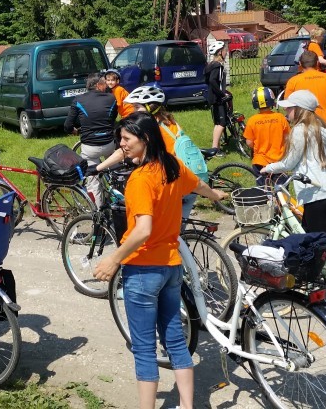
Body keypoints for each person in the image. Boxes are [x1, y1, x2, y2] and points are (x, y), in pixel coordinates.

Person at [92, 113, 227, 409]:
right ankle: (187, 406)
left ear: (145, 139)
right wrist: (215, 195)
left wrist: (114, 259)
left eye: (126, 139)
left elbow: (143, 229)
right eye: (120, 139)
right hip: (171, 267)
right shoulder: (172, 166)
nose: (121, 144)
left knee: (143, 348)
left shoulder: (140, 179)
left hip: (143, 270)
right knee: (175, 340)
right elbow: (198, 185)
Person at [261, 89, 326, 310]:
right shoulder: (318, 127)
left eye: (289, 108)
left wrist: (268, 168)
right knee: (311, 232)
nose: (286, 112)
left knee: (320, 241)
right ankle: (318, 279)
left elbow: (289, 162)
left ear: (299, 110)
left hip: (316, 192)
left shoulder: (300, 130)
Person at [96, 86, 215, 219]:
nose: (133, 111)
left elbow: (122, 152)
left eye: (137, 107)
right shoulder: (169, 121)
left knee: (157, 223)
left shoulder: (151, 129)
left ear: (149, 108)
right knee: (175, 226)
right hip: (185, 175)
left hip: (173, 180)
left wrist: (98, 168)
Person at [63, 73, 118, 205]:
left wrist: (74, 131)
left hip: (90, 147)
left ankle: (98, 211)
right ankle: (118, 198)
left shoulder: (78, 100)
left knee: (93, 182)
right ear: (98, 85)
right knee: (115, 173)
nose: (107, 86)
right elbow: (112, 119)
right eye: (104, 83)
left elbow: (67, 126)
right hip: (109, 144)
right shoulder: (111, 98)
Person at [284, 50, 326, 129]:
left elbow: (287, 106)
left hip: (304, 125)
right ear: (317, 63)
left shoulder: (293, 81)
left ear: (300, 64)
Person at [243, 87, 289, 183]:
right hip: (279, 160)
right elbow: (287, 138)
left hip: (260, 161)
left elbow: (249, 142)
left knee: (263, 188)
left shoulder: (252, 120)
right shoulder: (280, 118)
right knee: (281, 188)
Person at [205, 40, 232, 154]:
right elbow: (212, 81)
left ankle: (216, 148)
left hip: (212, 97)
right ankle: (215, 149)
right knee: (221, 123)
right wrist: (222, 93)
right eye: (225, 50)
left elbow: (207, 80)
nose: (226, 52)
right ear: (220, 52)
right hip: (218, 98)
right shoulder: (218, 66)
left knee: (217, 123)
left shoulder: (210, 65)